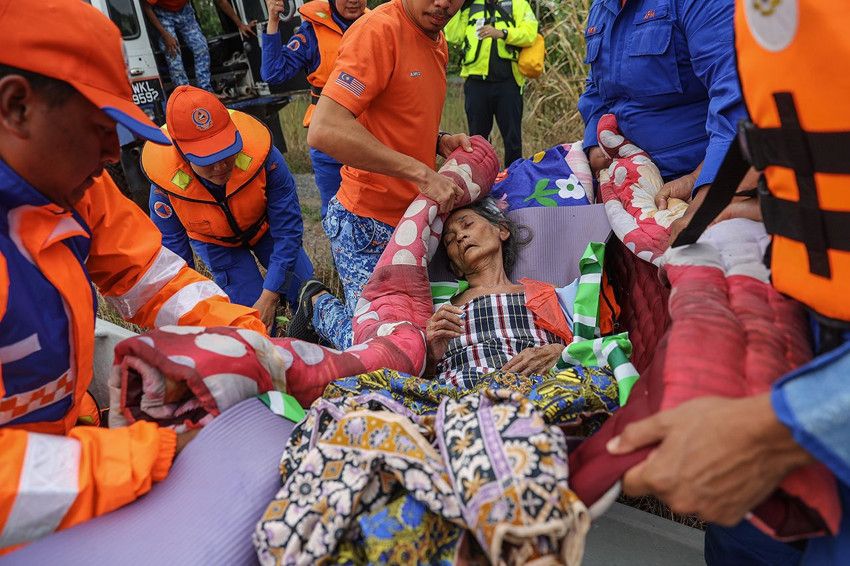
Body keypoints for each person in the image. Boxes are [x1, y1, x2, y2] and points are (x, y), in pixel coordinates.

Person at [0, 0, 266, 551]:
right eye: (100, 127)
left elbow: (154, 278)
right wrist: (145, 454)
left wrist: (251, 343)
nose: (111, 153)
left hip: (69, 455)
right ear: (16, 106)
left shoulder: (76, 188)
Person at [607, 1, 850, 564]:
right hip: (800, 320)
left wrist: (787, 425)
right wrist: (750, 199)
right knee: (746, 538)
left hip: (820, 402)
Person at [290, 0, 473, 350]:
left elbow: (392, 112)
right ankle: (317, 306)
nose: (443, 3)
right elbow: (325, 129)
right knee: (384, 347)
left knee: (426, 338)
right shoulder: (378, 32)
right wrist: (423, 174)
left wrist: (438, 140)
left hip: (415, 221)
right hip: (366, 224)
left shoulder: (434, 34)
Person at [143, 85, 315, 331]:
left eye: (226, 153)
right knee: (250, 320)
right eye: (207, 160)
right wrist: (188, 320)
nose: (220, 167)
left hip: (265, 229)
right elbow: (176, 263)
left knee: (309, 296)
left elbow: (287, 231)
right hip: (218, 245)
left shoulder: (264, 156)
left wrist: (272, 293)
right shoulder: (165, 187)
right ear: (182, 153)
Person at [578, 0, 746, 209]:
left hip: (689, 175)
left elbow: (738, 96)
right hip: (627, 172)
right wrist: (594, 143)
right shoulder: (601, 7)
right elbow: (596, 85)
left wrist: (703, 181)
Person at [261, 0, 368, 217]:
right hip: (329, 136)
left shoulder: (379, 24)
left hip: (372, 133)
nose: (354, 0)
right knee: (335, 209)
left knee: (380, 208)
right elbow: (273, 73)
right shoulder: (312, 32)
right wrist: (273, 21)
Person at [445, 0, 538, 167]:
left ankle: (513, 176)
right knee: (477, 140)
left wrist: (502, 33)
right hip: (476, 84)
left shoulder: (518, 4)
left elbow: (530, 34)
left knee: (512, 138)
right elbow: (452, 35)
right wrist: (456, 7)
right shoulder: (470, 6)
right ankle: (479, 176)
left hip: (509, 84)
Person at [142, 0, 256, 94]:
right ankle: (186, 95)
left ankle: (206, 91)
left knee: (201, 47)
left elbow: (221, 1)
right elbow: (146, 7)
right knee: (173, 54)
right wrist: (165, 35)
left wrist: (240, 24)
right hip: (162, 13)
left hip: (184, 10)